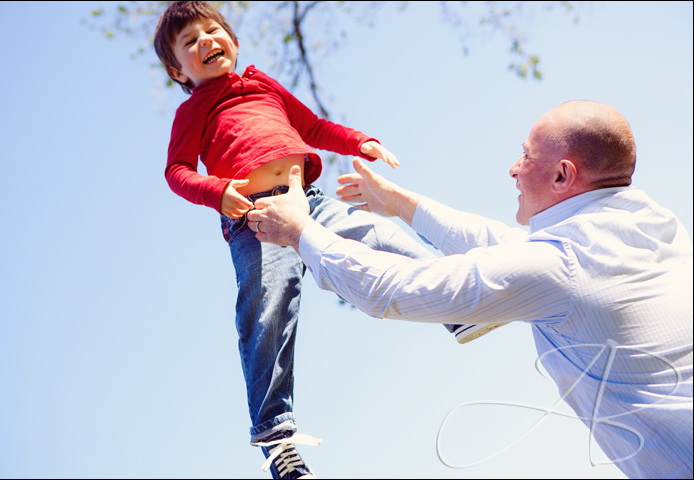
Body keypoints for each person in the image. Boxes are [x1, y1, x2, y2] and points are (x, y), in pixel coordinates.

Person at [247, 100, 694, 479]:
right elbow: (504, 246)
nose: (513, 169)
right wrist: (400, 204)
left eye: (526, 156)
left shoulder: (562, 267)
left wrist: (300, 231)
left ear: (562, 176)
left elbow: (395, 289)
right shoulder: (654, 224)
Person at [153, 2, 502, 478]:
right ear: (178, 69)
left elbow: (313, 127)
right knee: (269, 307)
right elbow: (176, 171)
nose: (206, 42)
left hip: (310, 201)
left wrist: (361, 142)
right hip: (256, 219)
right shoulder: (194, 109)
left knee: (381, 234)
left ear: (232, 39)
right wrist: (217, 192)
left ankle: (458, 306)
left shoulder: (262, 85)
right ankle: (276, 438)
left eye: (213, 31)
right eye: (190, 42)